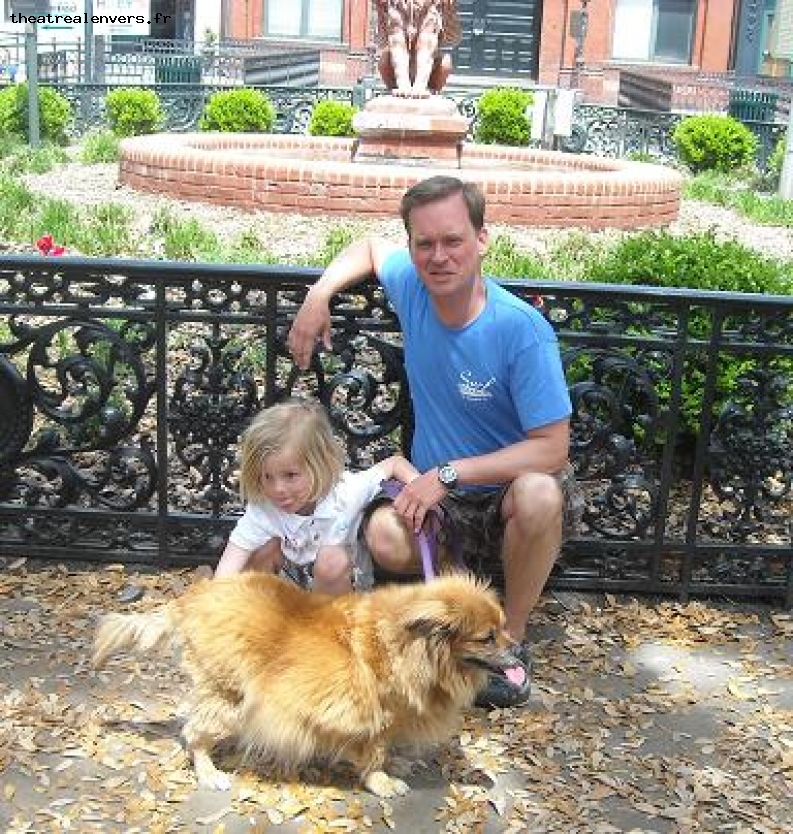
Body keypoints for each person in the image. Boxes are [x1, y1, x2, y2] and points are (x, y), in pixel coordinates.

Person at [287, 176, 581, 707]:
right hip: (434, 496)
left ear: (482, 240)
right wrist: (319, 293)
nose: (438, 256)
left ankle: (506, 643)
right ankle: (456, 622)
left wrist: (451, 474)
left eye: (453, 240)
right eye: (424, 243)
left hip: (502, 489)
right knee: (382, 536)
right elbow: (371, 248)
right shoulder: (414, 286)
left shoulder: (522, 331)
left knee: (540, 494)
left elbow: (552, 448)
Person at [215, 399, 420, 594]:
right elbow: (231, 562)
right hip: (289, 593)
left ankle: (326, 629)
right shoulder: (265, 506)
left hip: (338, 597)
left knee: (332, 559)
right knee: (263, 551)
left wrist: (416, 487)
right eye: (266, 477)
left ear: (319, 465)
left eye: (290, 475)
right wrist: (213, 599)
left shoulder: (345, 492)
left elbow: (394, 464)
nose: (278, 489)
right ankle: (259, 618)